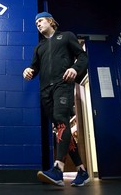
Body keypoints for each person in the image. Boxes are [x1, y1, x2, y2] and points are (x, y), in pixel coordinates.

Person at [23, 12, 90, 187]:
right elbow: (34, 67)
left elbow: (82, 56)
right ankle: (82, 171)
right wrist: (28, 71)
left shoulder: (66, 36)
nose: (37, 24)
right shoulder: (39, 47)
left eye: (40, 20)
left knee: (61, 120)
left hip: (63, 84)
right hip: (45, 90)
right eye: (35, 22)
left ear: (51, 21)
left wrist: (75, 68)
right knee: (60, 128)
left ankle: (58, 169)